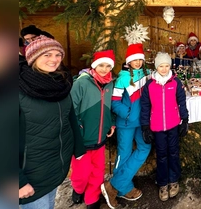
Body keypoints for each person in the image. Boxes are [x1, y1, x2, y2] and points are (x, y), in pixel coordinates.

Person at [19, 35, 86, 209]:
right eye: (47, 55)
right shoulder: (18, 88)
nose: (54, 60)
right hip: (30, 174)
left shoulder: (60, 83)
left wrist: (78, 148)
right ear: (33, 57)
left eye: (58, 55)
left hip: (54, 167)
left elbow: (69, 116)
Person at [101, 43, 151, 209]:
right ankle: (125, 188)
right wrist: (128, 114)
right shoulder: (123, 77)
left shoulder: (147, 74)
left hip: (142, 122)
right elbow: (114, 103)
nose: (137, 62)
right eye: (134, 59)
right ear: (129, 61)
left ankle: (114, 185)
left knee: (145, 147)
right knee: (124, 153)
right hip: (127, 123)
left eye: (140, 59)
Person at [69, 50, 116, 209]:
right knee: (81, 173)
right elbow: (70, 109)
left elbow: (108, 107)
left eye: (108, 66)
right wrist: (79, 129)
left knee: (97, 171)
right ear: (94, 65)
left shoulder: (110, 83)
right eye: (101, 65)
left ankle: (92, 199)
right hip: (83, 139)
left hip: (100, 137)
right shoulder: (81, 83)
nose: (104, 69)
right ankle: (78, 189)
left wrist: (111, 123)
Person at [140, 52, 189, 201]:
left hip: (173, 124)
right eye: (161, 66)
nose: (164, 69)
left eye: (167, 65)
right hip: (157, 126)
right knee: (161, 155)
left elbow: (182, 101)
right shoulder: (150, 84)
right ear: (156, 66)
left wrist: (185, 120)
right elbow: (145, 106)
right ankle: (162, 183)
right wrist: (145, 126)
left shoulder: (175, 82)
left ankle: (173, 180)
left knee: (173, 152)